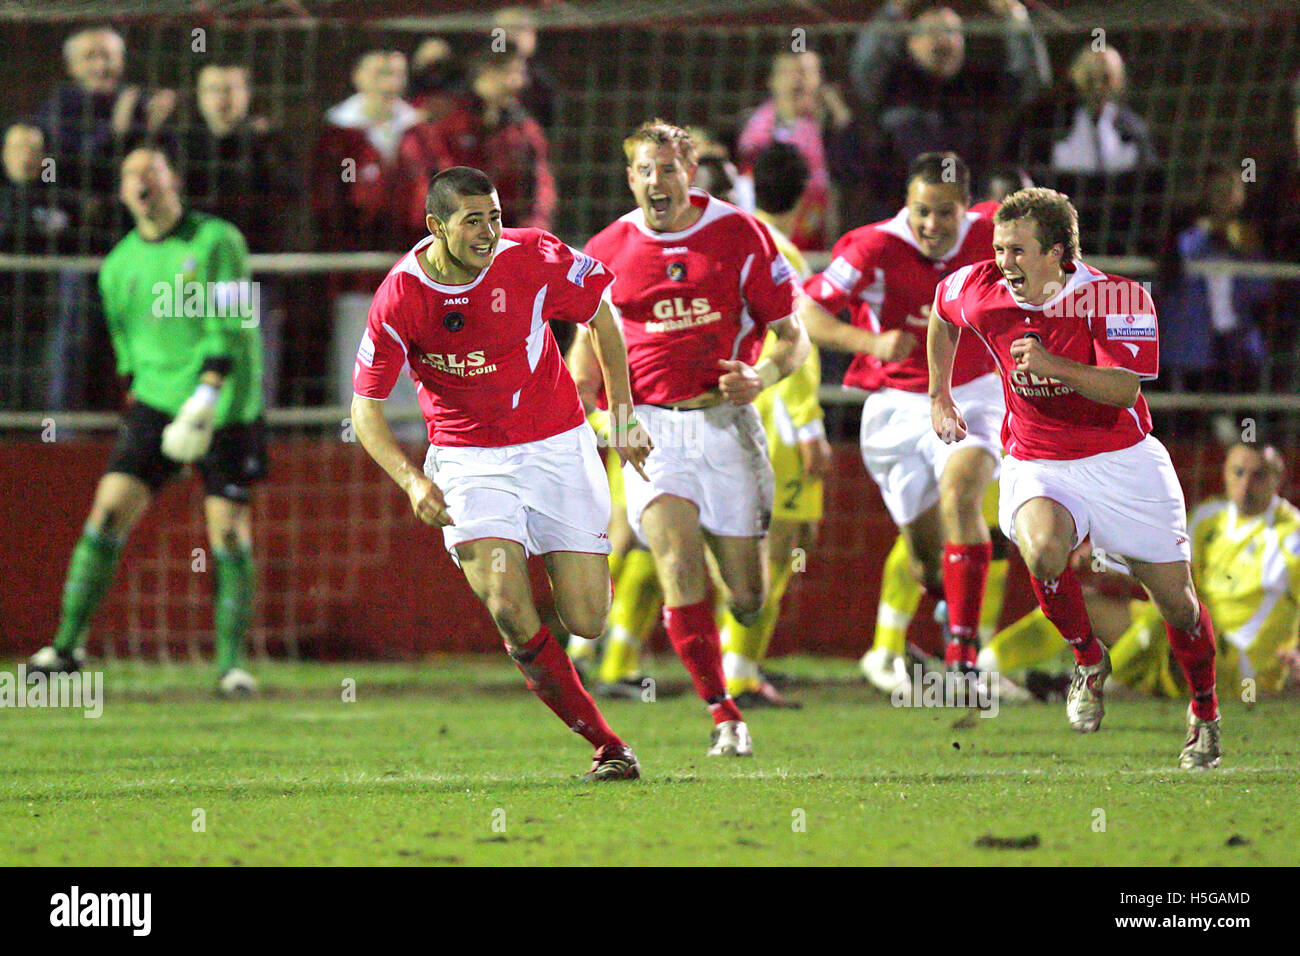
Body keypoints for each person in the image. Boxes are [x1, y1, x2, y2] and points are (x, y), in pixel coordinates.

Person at [350, 166, 649, 782]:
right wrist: (412, 481)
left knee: (589, 620)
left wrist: (621, 413)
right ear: (436, 227)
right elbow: (364, 408)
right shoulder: (402, 296)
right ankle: (606, 743)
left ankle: (573, 657)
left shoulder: (533, 255)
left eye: (494, 217)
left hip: (557, 445)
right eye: (472, 221)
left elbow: (601, 313)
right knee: (508, 602)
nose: (489, 233)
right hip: (468, 459)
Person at [928, 186, 1223, 769]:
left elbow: (1125, 390)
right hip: (1038, 460)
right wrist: (939, 396)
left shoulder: (1117, 297)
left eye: (1017, 250)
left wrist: (1053, 365)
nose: (1002, 262)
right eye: (998, 248)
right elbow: (941, 316)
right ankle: (1088, 658)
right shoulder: (980, 287)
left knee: (1180, 607)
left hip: (1124, 460)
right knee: (1042, 552)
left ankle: (1206, 712)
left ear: (1058, 252)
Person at [583, 120, 809, 756]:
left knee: (746, 597)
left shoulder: (740, 234)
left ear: (692, 172)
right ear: (631, 179)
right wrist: (611, 422)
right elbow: (583, 360)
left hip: (726, 427)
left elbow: (793, 338)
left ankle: (730, 568)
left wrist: (759, 375)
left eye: (671, 168)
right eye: (646, 170)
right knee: (677, 565)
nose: (659, 180)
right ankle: (723, 713)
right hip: (652, 432)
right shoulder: (605, 250)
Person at [27, 147, 265, 696]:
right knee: (108, 511)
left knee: (227, 531)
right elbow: (125, 345)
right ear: (121, 190)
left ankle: (231, 668)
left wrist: (207, 395)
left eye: (151, 173)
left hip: (223, 404)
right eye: (131, 175)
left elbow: (230, 320)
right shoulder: (118, 265)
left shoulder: (217, 241)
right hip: (157, 406)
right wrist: (139, 395)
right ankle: (65, 650)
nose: (142, 184)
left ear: (172, 181)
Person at [799, 152, 1003, 687]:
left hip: (973, 392)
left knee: (961, 495)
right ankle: (949, 597)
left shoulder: (996, 234)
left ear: (967, 210)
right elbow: (808, 311)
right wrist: (869, 342)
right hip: (893, 405)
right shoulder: (872, 245)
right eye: (921, 212)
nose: (932, 225)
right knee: (925, 562)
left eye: (945, 213)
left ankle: (963, 655)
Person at [718, 142, 829, 707]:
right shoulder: (781, 252)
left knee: (762, 540)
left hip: (737, 408)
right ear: (807, 197)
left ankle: (736, 665)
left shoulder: (736, 238)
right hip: (778, 413)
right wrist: (810, 426)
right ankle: (736, 671)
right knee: (778, 545)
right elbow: (797, 347)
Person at [849, 1, 1049, 221]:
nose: (942, 39)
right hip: (901, 212)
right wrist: (893, 10)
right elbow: (863, 67)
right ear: (911, 42)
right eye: (932, 32)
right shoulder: (893, 83)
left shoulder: (979, 85)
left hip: (968, 214)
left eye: (952, 32)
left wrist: (1015, 17)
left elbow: (1030, 82)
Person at [400, 39, 555, 236]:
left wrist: (533, 230)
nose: (521, 81)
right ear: (486, 71)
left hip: (503, 238)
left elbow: (540, 184)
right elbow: (423, 177)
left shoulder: (523, 128)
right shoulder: (443, 119)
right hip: (445, 237)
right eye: (512, 71)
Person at [734, 50, 863, 251]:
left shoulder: (833, 128)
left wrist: (842, 122)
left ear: (819, 81)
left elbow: (854, 173)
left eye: (803, 72)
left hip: (821, 230)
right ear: (772, 81)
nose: (795, 80)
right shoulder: (751, 127)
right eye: (787, 72)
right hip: (762, 228)